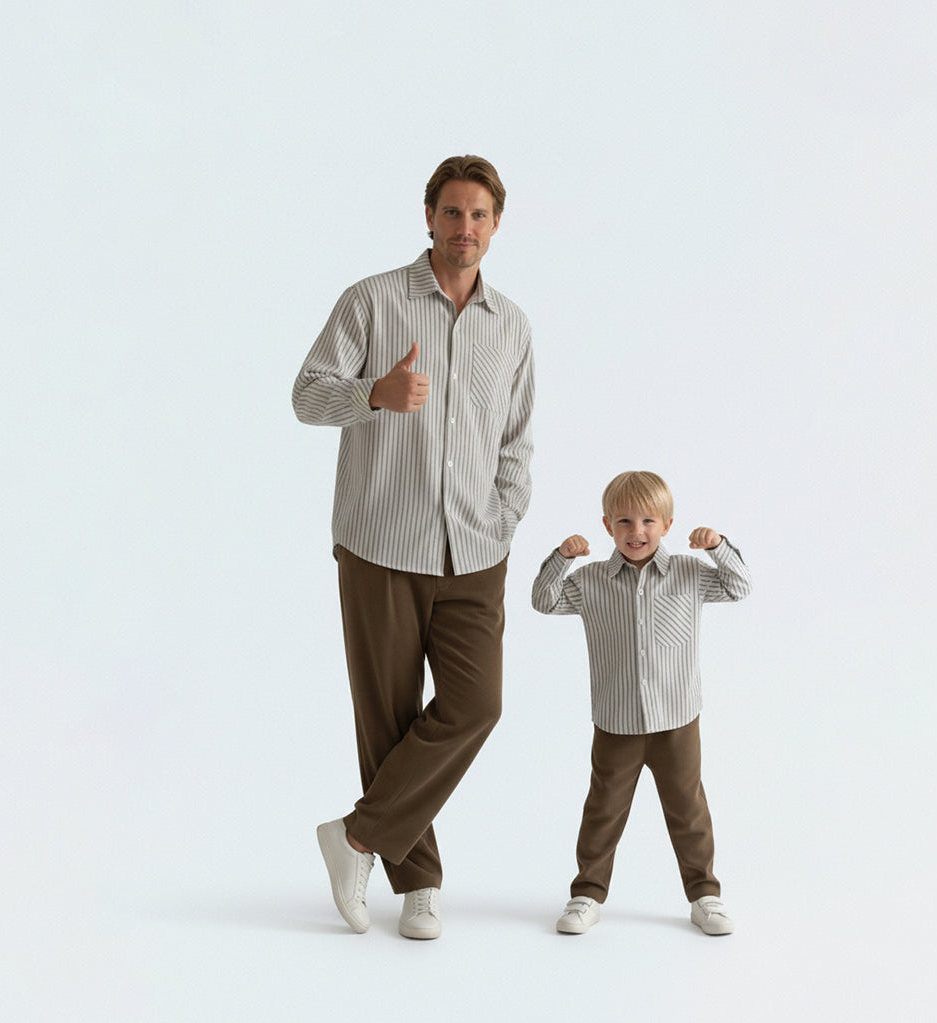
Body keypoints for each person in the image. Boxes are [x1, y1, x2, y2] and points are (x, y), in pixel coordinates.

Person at [292, 155, 534, 940]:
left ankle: (359, 836)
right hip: (380, 541)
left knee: (476, 705)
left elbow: (516, 440)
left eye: (480, 216)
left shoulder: (513, 326)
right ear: (427, 215)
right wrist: (373, 394)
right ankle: (419, 881)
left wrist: (503, 517)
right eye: (453, 213)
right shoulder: (371, 301)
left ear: (496, 225)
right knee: (390, 718)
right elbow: (305, 395)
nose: (465, 229)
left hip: (476, 548)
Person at [531, 470, 750, 936]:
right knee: (603, 810)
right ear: (608, 524)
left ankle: (704, 894)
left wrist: (717, 547)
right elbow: (544, 601)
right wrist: (561, 558)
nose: (637, 532)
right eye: (625, 521)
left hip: (676, 719)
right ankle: (586, 894)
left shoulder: (691, 573)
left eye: (648, 521)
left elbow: (739, 587)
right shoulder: (591, 581)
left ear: (667, 525)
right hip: (616, 721)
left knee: (688, 809)